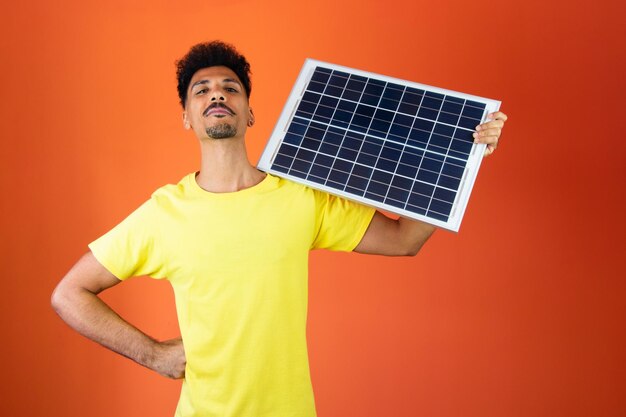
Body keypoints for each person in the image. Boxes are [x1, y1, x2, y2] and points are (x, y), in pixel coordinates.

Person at [51, 41, 508, 417]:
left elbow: (404, 239)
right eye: (201, 90)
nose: (217, 95)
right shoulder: (163, 214)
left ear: (249, 113)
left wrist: (462, 159)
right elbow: (68, 294)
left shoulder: (299, 196)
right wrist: (152, 354)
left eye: (230, 88)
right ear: (187, 117)